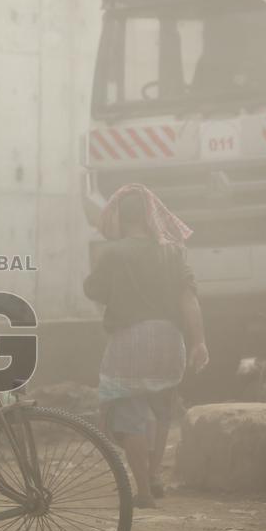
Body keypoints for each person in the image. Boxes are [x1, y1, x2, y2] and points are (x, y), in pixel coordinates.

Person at [83, 183, 209, 508]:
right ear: (151, 216)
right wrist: (199, 343)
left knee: (130, 414)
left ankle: (141, 492)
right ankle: (155, 476)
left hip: (129, 340)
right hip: (170, 340)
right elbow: (189, 298)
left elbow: (93, 290)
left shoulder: (115, 252)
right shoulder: (173, 251)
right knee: (162, 409)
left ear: (121, 220)